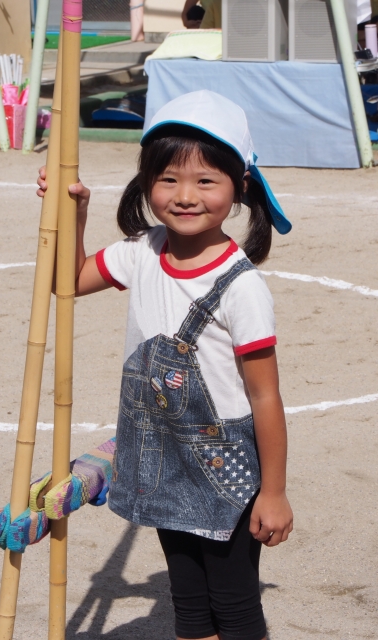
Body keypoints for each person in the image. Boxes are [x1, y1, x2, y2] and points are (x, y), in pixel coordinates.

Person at [37, 90, 294, 640]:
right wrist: (74, 212)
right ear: (147, 183)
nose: (184, 196)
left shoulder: (242, 287)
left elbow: (265, 396)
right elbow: (70, 280)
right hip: (160, 455)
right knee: (188, 601)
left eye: (206, 181)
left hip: (225, 466)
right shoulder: (143, 250)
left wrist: (273, 491)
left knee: (234, 603)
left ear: (239, 187)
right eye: (168, 179)